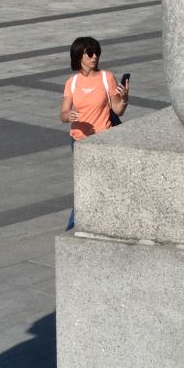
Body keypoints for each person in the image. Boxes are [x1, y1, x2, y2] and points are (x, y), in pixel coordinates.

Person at [62, 36, 127, 229]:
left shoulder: (107, 78)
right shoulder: (72, 83)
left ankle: (74, 225)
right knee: (86, 184)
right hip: (79, 141)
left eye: (97, 53)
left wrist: (124, 98)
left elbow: (117, 110)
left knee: (97, 181)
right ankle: (78, 224)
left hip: (102, 140)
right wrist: (69, 115)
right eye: (90, 53)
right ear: (79, 57)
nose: (94, 57)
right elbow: (62, 114)